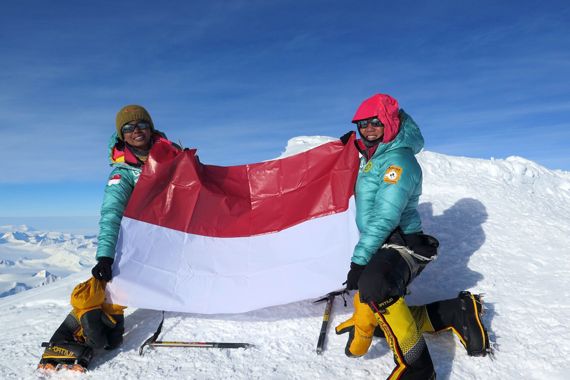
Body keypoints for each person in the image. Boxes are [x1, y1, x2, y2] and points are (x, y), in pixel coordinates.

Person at [335, 94, 489, 379]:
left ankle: (419, 367)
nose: (367, 128)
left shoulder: (399, 160)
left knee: (375, 285)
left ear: (390, 122)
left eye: (374, 122)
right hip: (382, 239)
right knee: (381, 310)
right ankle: (457, 312)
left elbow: (386, 216)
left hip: (402, 241)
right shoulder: (373, 156)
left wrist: (359, 261)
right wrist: (341, 151)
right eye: (361, 124)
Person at [91, 104, 180, 281]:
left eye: (142, 125)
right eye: (128, 127)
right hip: (149, 243)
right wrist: (105, 257)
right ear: (122, 135)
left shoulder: (176, 158)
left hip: (184, 236)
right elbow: (112, 213)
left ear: (150, 129)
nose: (136, 130)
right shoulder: (122, 173)